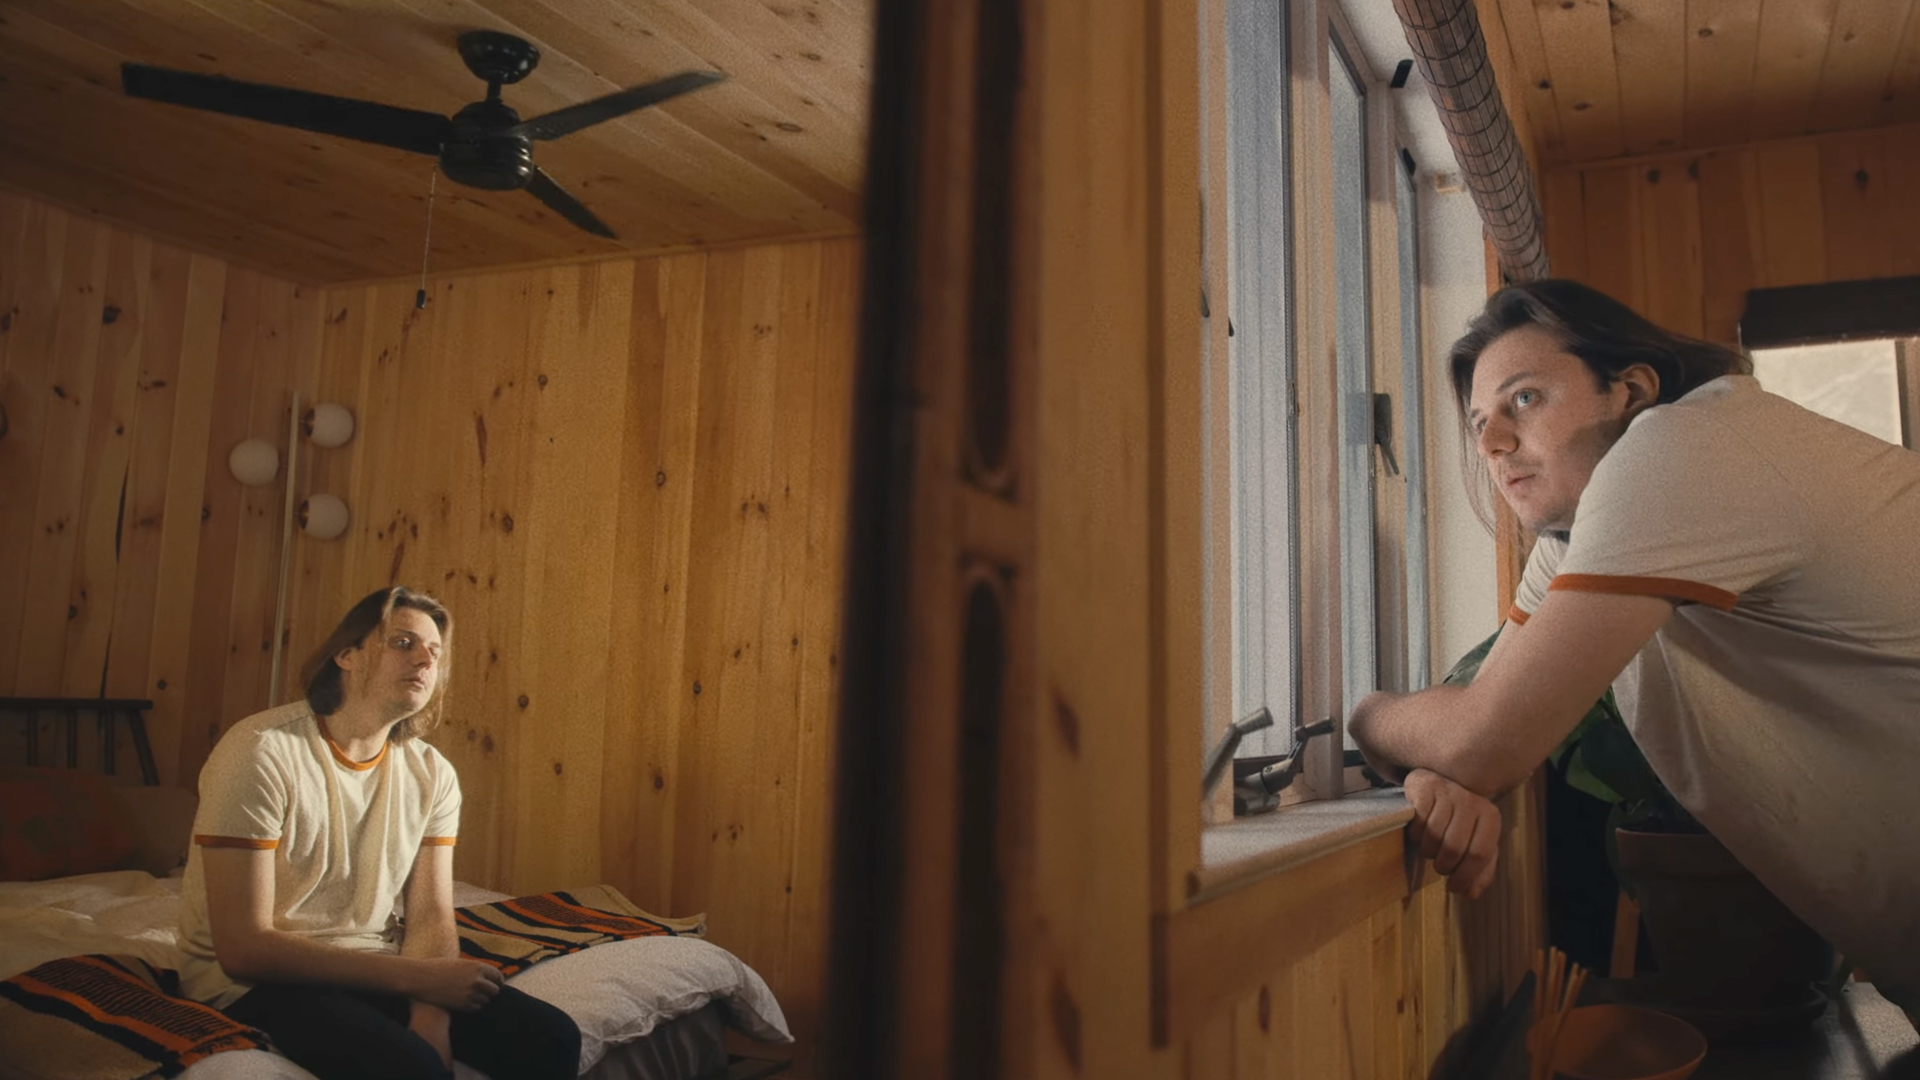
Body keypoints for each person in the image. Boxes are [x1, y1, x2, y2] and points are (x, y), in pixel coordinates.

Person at [1349, 280, 1920, 1021]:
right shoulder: (1576, 537)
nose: (1490, 444)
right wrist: (1440, 772)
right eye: (1480, 420)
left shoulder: (1681, 447)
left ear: (1630, 391)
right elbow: (1478, 713)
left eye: (1525, 399)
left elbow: (1481, 738)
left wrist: (1365, 716)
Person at [177, 586, 580, 1080]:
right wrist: (420, 979)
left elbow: (430, 915)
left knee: (552, 1037)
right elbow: (243, 947)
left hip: (373, 964)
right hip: (257, 980)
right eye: (403, 643)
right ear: (346, 655)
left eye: (434, 652)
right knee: (409, 1070)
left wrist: (431, 1016)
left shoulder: (433, 774)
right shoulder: (260, 750)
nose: (425, 662)